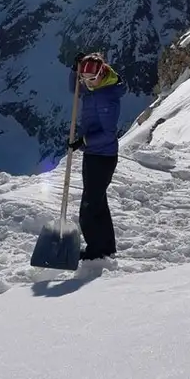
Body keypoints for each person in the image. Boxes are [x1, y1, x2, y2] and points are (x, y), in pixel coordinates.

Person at [69, 52, 126, 260]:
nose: (87, 83)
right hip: (94, 154)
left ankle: (96, 249)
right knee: (98, 202)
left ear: (102, 74)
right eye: (84, 79)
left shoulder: (106, 98)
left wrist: (84, 141)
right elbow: (73, 89)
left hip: (102, 156)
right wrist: (74, 71)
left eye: (91, 79)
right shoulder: (96, 87)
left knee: (89, 206)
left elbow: (108, 134)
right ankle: (106, 246)